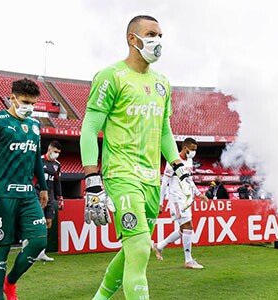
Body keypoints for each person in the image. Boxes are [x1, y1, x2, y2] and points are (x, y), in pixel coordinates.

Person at [81, 15, 195, 300]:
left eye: (160, 35)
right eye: (151, 34)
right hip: (121, 175)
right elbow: (90, 127)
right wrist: (92, 179)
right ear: (132, 39)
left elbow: (165, 132)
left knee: (133, 250)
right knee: (142, 247)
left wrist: (180, 169)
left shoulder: (162, 83)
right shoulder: (111, 76)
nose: (157, 41)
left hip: (151, 181)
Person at [0, 78, 49, 300]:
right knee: (2, 248)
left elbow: (36, 158)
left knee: (39, 241)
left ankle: (10, 283)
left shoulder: (36, 126)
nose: (29, 107)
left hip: (28, 193)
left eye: (33, 103)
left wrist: (44, 187)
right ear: (12, 98)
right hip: (2, 194)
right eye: (25, 101)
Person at [154, 138, 209, 269]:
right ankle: (188, 260)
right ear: (185, 148)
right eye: (192, 150)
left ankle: (159, 246)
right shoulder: (173, 161)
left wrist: (198, 193)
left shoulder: (189, 161)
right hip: (176, 198)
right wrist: (161, 203)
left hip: (186, 198)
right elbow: (164, 183)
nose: (194, 153)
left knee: (184, 229)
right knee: (188, 227)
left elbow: (189, 180)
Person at [36, 140, 63, 262]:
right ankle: (29, 249)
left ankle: (41, 253)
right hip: (38, 195)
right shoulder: (39, 161)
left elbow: (57, 182)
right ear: (49, 149)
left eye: (58, 152)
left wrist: (60, 197)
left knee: (48, 223)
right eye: (55, 151)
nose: (56, 154)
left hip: (51, 197)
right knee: (37, 223)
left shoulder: (57, 165)